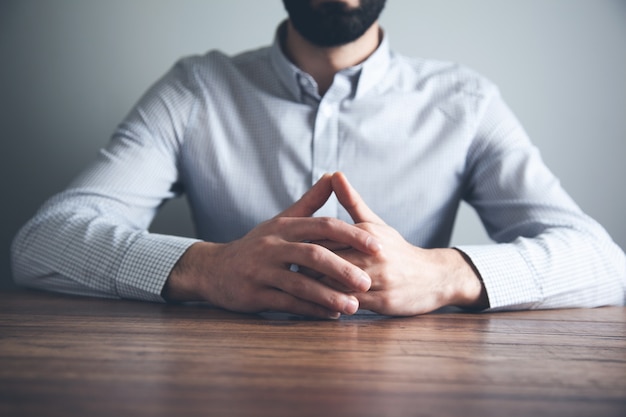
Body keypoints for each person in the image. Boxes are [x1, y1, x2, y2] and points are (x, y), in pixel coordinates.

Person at [11, 0, 626, 319]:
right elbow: (42, 244)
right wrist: (209, 268)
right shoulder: (196, 89)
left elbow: (604, 263)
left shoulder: (465, 102)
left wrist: (445, 275)